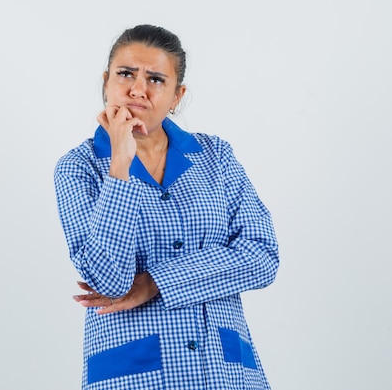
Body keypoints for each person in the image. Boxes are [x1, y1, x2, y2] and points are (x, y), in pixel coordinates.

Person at [53, 24, 279, 390]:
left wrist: (157, 281)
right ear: (106, 82)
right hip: (134, 376)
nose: (137, 89)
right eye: (125, 74)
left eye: (156, 79)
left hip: (223, 372)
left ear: (177, 95)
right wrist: (120, 166)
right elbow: (108, 280)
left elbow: (262, 256)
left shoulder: (215, 156)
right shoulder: (79, 167)